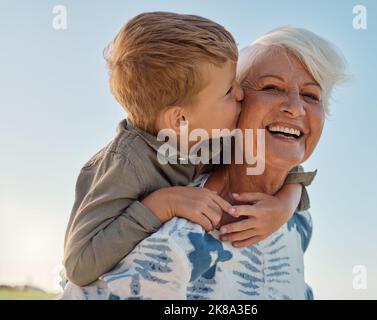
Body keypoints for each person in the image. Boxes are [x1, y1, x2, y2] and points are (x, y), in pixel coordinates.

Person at [61, 26, 346, 300]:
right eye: (271, 87)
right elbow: (80, 268)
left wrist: (286, 204)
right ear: (238, 109)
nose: (296, 108)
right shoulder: (171, 221)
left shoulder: (299, 223)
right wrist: (163, 203)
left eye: (311, 95)